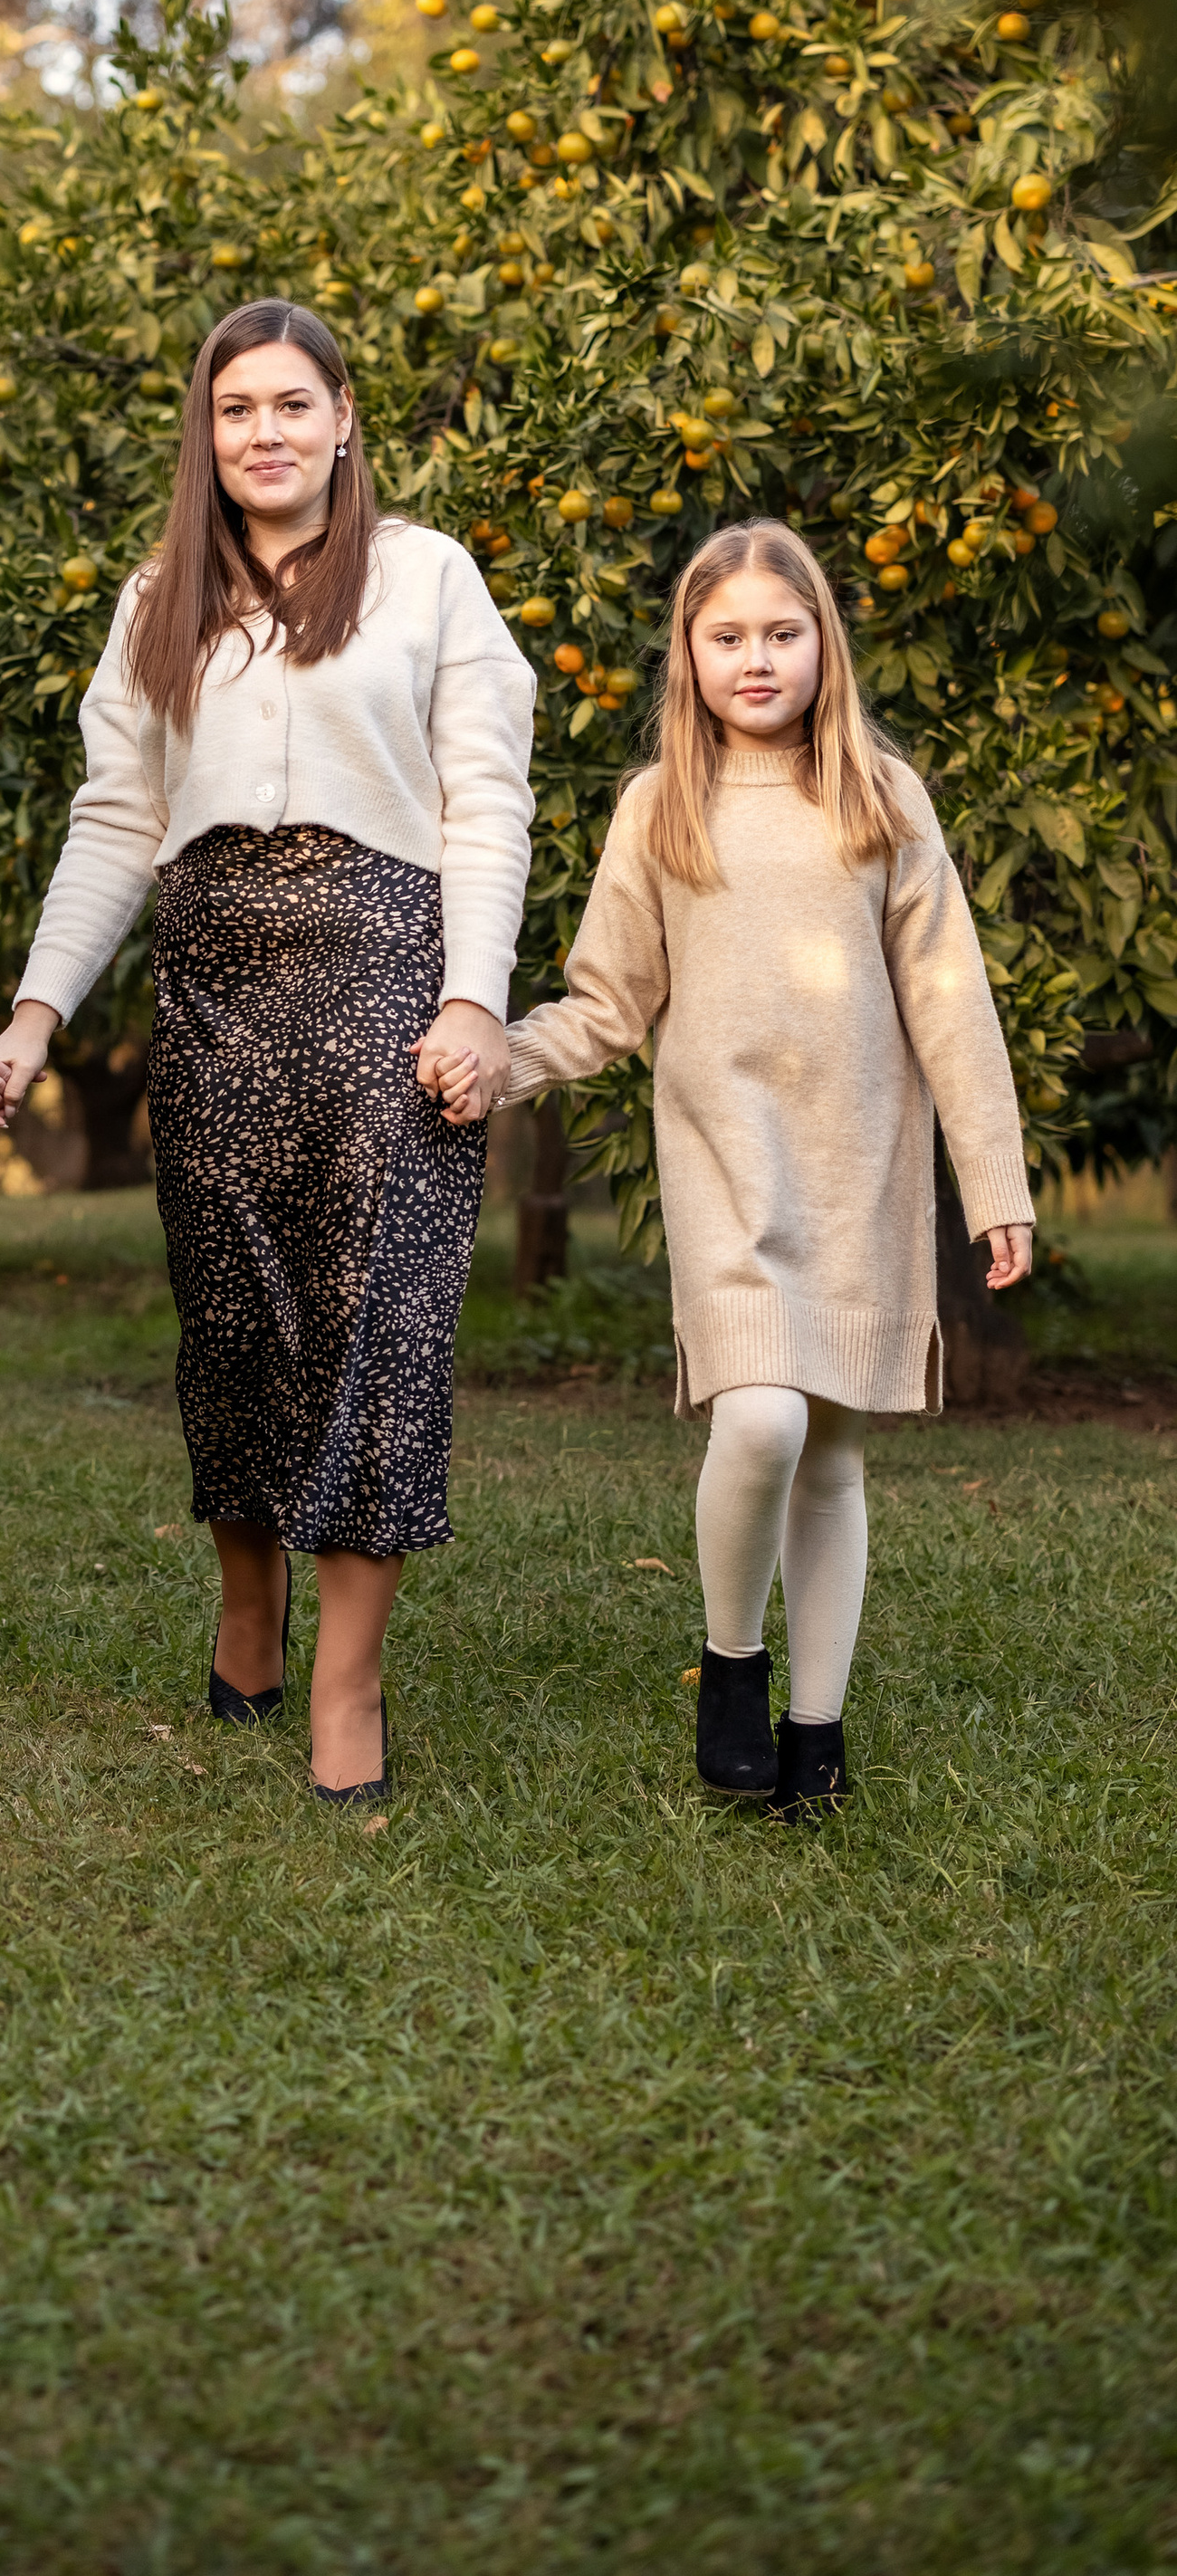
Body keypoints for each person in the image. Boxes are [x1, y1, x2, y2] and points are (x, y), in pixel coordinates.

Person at [0, 299, 535, 1804]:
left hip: (390, 988)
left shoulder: (427, 578)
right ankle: (247, 1598)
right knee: (233, 1318)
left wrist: (474, 1000)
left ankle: (348, 1684)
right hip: (214, 984)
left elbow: (488, 804)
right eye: (236, 411)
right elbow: (114, 824)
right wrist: (37, 1015)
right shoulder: (164, 596)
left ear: (345, 416)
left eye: (292, 405)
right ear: (204, 435)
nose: (265, 434)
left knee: (379, 1326)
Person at [428, 516, 1032, 1817]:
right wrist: (500, 1056)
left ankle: (817, 1730)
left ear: (825, 644)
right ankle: (731, 1665)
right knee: (760, 1418)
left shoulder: (880, 794)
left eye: (782, 633)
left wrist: (995, 1182)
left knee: (831, 1453)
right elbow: (607, 1000)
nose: (756, 659)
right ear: (689, 655)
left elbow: (950, 1002)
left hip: (860, 1164)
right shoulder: (663, 807)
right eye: (727, 637)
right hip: (726, 1165)